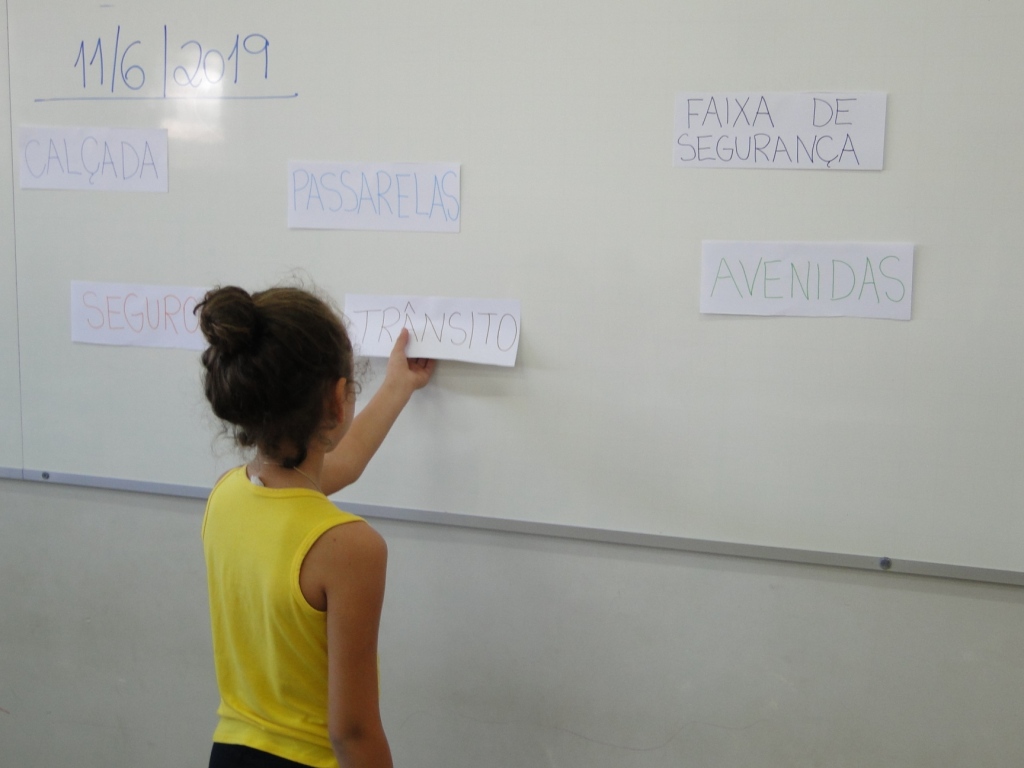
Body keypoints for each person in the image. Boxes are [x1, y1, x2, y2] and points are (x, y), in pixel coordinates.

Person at [195, 284, 435, 768]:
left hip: (230, 754)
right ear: (338, 399)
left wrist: (397, 386)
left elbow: (339, 465)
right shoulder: (348, 547)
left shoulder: (226, 495)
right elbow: (352, 732)